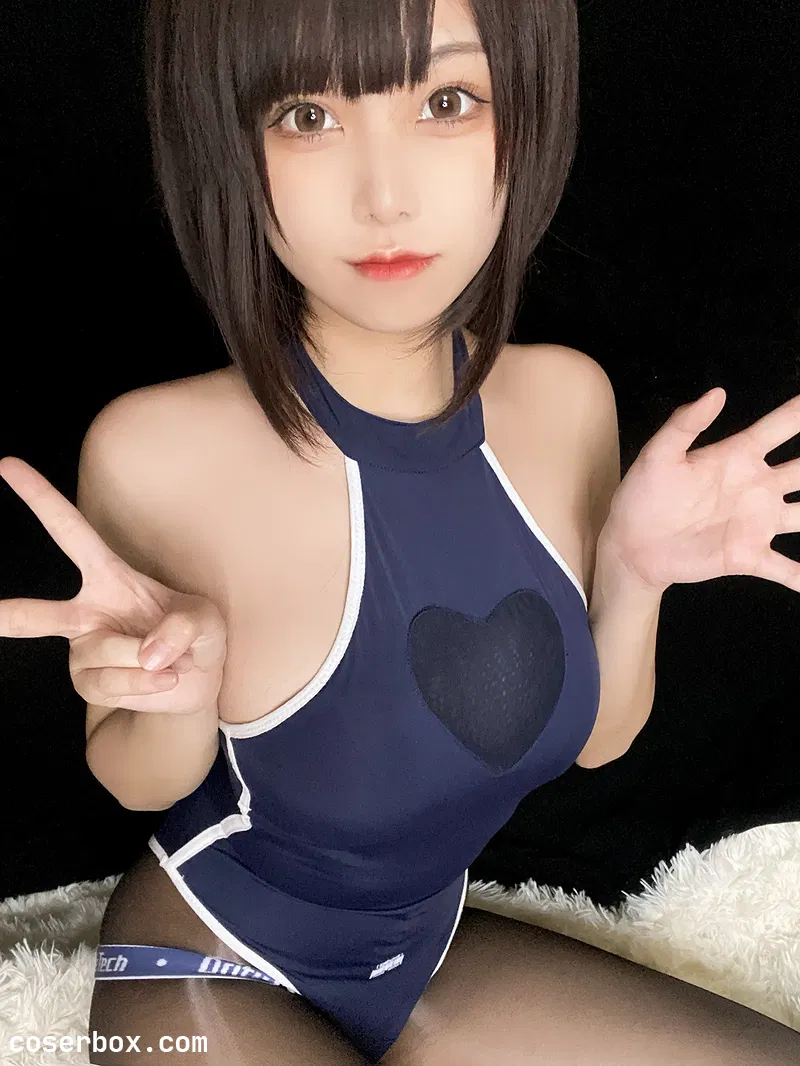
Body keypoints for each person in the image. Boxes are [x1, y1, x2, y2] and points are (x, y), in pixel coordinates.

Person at [1, 0, 799, 1061]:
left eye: (448, 101)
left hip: (424, 948)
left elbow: (596, 735)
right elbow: (139, 780)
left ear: (528, 113)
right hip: (200, 974)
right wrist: (176, 696)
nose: (384, 197)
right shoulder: (158, 451)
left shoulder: (567, 401)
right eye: (307, 116)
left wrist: (631, 574)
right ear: (226, 137)